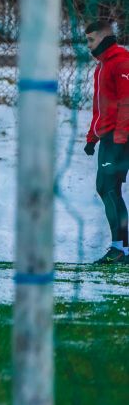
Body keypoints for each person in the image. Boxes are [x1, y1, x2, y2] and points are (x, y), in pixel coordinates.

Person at [82, 19, 129, 264]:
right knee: (107, 188)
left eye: (91, 40)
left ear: (103, 37)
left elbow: (126, 103)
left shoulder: (121, 62)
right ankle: (121, 247)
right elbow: (100, 109)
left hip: (121, 138)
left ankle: (121, 248)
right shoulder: (101, 67)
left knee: (108, 188)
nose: (88, 45)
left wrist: (121, 139)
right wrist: (92, 138)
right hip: (109, 138)